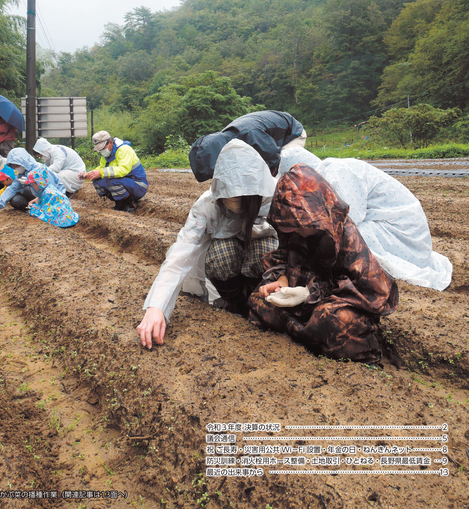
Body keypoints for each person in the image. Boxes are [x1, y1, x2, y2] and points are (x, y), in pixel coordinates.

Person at [247, 164, 399, 363]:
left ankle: (361, 359)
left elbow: (369, 292)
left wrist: (309, 293)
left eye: (297, 225)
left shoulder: (348, 238)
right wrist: (282, 280)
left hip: (329, 305)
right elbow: (284, 258)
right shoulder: (298, 231)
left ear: (314, 215)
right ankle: (310, 340)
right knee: (259, 301)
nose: (294, 232)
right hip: (302, 303)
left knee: (339, 321)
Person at [137, 139, 278, 349]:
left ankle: (257, 300)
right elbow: (179, 256)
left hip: (261, 258)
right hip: (228, 259)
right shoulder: (206, 207)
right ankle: (236, 303)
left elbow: (295, 242)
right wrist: (156, 307)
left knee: (265, 251)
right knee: (222, 252)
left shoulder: (274, 197)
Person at [278, 147, 452, 291]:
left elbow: (349, 219)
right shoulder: (321, 180)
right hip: (388, 226)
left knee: (349, 236)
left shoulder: (335, 171)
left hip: (401, 230)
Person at [189, 110, 307, 182]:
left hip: (292, 133)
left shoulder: (251, 136)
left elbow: (274, 161)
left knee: (281, 178)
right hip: (270, 136)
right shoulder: (226, 139)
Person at [79, 131, 148, 212]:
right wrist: (89, 174)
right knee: (97, 180)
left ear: (110, 142)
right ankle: (120, 202)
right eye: (99, 149)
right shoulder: (107, 154)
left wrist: (100, 172)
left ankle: (130, 203)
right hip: (125, 182)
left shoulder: (124, 149)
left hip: (138, 185)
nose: (101, 151)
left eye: (102, 148)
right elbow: (102, 167)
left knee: (112, 180)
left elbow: (123, 169)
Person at [0, 148, 66, 215]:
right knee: (15, 200)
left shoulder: (40, 169)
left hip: (52, 197)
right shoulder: (21, 174)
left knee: (27, 188)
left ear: (24, 162)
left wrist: (32, 183)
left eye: (17, 165)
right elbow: (12, 189)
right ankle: (35, 207)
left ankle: (42, 207)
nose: (16, 168)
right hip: (35, 198)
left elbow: (52, 188)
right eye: (14, 166)